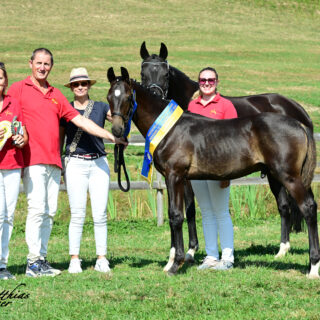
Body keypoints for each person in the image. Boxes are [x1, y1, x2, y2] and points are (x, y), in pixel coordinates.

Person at [7, 48, 126, 278]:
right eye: (39, 63)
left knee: (50, 210)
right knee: (36, 209)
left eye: (47, 64)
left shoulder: (55, 94)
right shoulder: (19, 89)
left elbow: (80, 120)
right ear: (30, 63)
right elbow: (9, 114)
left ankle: (41, 259)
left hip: (54, 160)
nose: (42, 67)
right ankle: (32, 262)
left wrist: (111, 136)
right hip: (33, 159)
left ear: (51, 66)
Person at [60, 67, 112, 274]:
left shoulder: (100, 107)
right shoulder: (65, 109)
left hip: (99, 163)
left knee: (100, 214)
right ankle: (74, 258)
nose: (80, 87)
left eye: (84, 83)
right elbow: (60, 138)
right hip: (75, 163)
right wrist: (60, 164)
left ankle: (102, 257)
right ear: (71, 87)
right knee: (77, 213)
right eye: (76, 84)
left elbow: (120, 118)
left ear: (89, 85)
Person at [188, 67, 237, 271]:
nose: (206, 83)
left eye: (210, 80)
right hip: (197, 167)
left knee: (221, 211)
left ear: (217, 82)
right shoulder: (192, 105)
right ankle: (210, 256)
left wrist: (228, 171)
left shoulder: (226, 105)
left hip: (218, 168)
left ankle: (227, 257)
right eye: (202, 80)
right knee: (206, 212)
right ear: (198, 82)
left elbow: (236, 138)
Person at [0, 62, 28, 280]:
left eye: (1, 78)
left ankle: (3, 264)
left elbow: (22, 131)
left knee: (8, 216)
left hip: (11, 164)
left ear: (5, 81)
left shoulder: (14, 103)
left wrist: (20, 140)